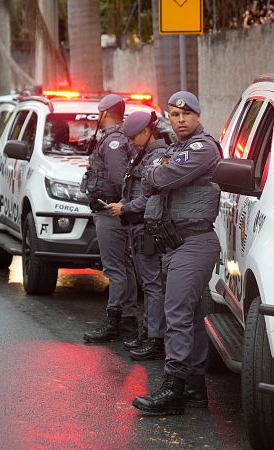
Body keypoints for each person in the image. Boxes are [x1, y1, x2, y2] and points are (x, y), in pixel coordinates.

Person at [132, 91, 222, 415]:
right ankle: (194, 388)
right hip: (175, 245)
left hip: (194, 242)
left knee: (176, 317)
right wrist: (157, 171)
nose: (180, 119)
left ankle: (173, 388)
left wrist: (158, 171)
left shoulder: (202, 148)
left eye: (186, 114)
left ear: (197, 116)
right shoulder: (174, 149)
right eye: (174, 115)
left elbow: (161, 176)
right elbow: (150, 179)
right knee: (191, 318)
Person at [105, 111, 168, 361]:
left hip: (147, 226)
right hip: (138, 225)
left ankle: (156, 338)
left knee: (152, 284)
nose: (130, 143)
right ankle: (149, 332)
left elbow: (151, 196)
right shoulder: (144, 153)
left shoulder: (157, 155)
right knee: (148, 284)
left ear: (146, 132)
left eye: (133, 137)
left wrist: (125, 208)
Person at [81, 94, 138, 343]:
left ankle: (115, 320)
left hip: (110, 211)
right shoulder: (119, 137)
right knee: (124, 266)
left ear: (105, 113)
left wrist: (120, 205)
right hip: (115, 211)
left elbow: (118, 178)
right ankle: (128, 320)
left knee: (115, 268)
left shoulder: (113, 141)